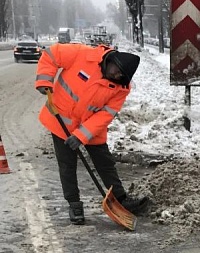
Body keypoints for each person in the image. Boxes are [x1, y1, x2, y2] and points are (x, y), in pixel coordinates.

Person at [35, 43, 148, 225]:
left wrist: (81, 136)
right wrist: (44, 80)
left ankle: (121, 199)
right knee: (67, 165)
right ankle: (74, 204)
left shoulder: (121, 88)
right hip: (61, 121)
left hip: (90, 127)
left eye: (122, 77)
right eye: (117, 72)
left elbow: (105, 115)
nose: (117, 77)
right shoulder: (83, 55)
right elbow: (51, 54)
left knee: (105, 163)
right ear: (112, 61)